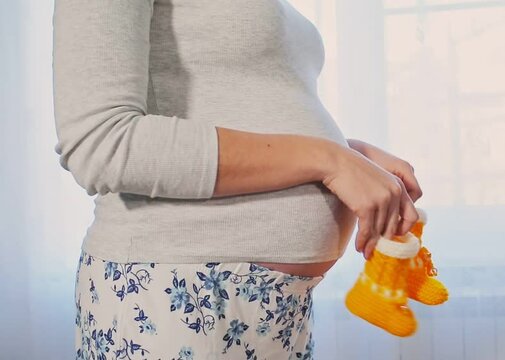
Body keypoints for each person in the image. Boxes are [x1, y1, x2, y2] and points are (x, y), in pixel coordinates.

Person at [53, 0, 423, 358]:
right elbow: (101, 142)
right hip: (179, 300)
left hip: (279, 309)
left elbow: (235, 112)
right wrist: (329, 159)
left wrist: (348, 153)